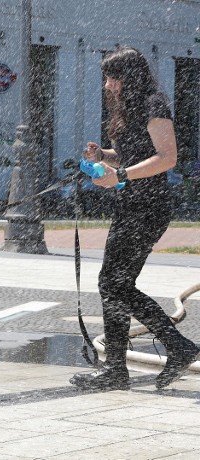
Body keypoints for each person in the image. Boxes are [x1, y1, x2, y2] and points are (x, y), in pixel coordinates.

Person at [70, 47, 199, 391]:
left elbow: (167, 157)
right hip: (131, 206)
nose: (108, 85)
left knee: (113, 284)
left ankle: (159, 353)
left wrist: (121, 174)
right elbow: (129, 156)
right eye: (106, 78)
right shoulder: (125, 108)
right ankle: (125, 365)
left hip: (149, 207)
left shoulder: (154, 104)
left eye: (113, 78)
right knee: (115, 284)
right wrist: (103, 157)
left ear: (131, 78)